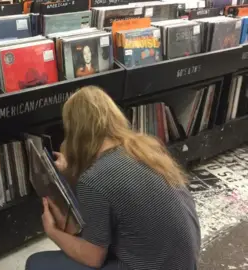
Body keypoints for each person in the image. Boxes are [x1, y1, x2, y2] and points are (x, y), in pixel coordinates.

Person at [26, 86, 200, 270]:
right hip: (184, 263)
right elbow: (114, 186)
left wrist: (52, 232)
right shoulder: (144, 149)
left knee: (37, 263)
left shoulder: (94, 179)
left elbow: (93, 258)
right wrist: (70, 171)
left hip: (151, 265)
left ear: (76, 132)